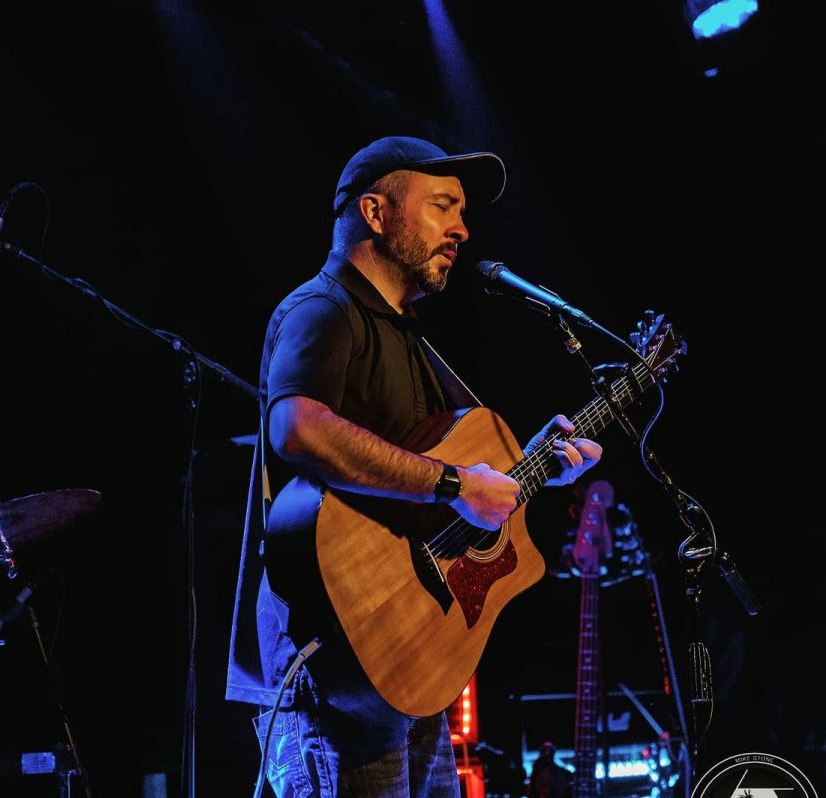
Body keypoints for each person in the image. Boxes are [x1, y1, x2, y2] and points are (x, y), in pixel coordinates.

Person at [226, 135, 603, 797]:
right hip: (333, 677)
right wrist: (456, 485)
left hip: (409, 666)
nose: (462, 229)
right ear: (375, 213)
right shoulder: (324, 309)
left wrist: (533, 466)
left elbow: (420, 480)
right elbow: (298, 427)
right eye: (441, 206)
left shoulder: (408, 335)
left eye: (462, 213)